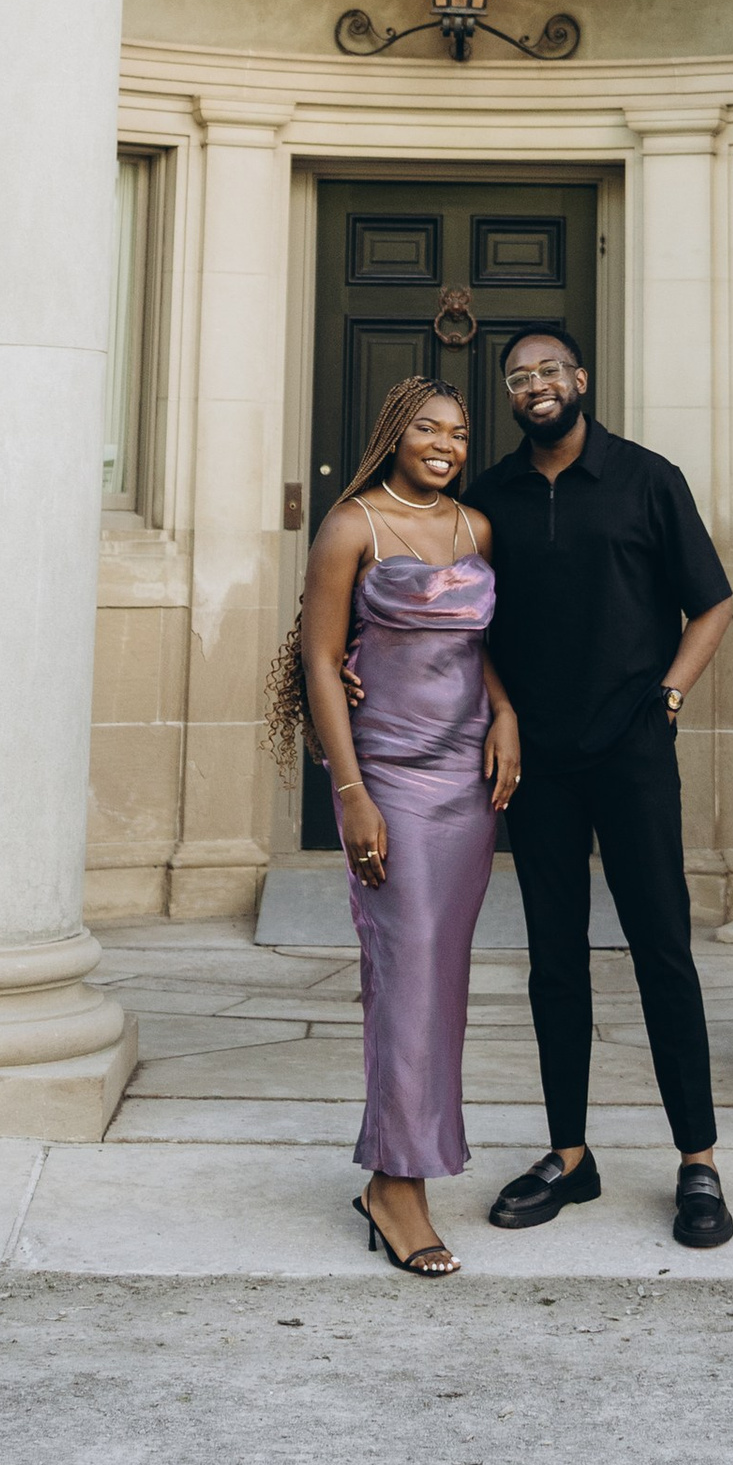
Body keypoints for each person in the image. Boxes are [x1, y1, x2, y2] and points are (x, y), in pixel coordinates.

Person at [469, 326, 733, 1250]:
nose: (535, 386)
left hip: (630, 748)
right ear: (509, 396)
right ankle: (570, 1156)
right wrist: (500, 711)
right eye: (518, 377)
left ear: (581, 380)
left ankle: (697, 1160)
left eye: (548, 371)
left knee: (662, 947)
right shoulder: (489, 495)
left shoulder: (646, 478)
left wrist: (666, 699)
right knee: (554, 958)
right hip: (534, 758)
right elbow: (468, 628)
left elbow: (712, 602)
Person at [265, 374, 521, 1277]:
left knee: (439, 977)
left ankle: (399, 1168)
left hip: (465, 783)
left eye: (457, 431)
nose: (446, 443)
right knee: (404, 973)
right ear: (393, 433)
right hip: (389, 777)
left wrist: (506, 714)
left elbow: (483, 645)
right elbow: (324, 663)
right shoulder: (352, 526)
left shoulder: (476, 527)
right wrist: (350, 791)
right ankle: (397, 1185)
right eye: (427, 428)